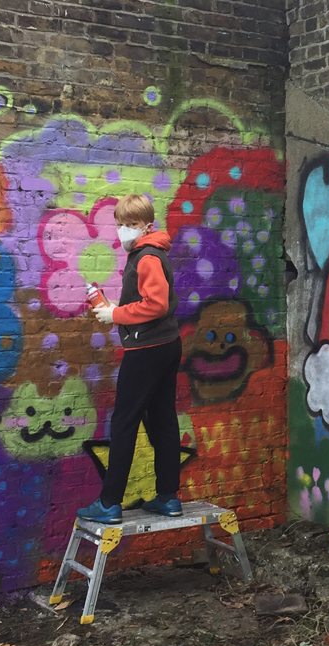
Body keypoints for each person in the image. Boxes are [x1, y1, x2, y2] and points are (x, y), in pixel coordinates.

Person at [76, 194, 183, 524]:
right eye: (120, 224)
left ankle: (109, 504)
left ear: (147, 225)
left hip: (146, 350)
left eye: (131, 224)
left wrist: (116, 314)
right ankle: (168, 497)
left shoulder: (147, 257)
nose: (124, 230)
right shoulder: (151, 253)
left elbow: (157, 304)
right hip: (166, 344)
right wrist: (113, 310)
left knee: (125, 421)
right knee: (163, 417)